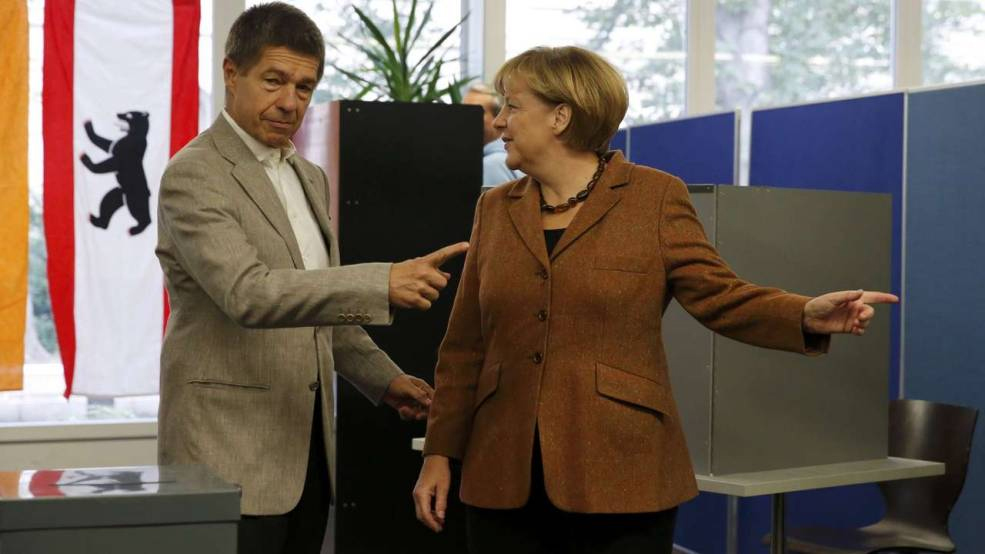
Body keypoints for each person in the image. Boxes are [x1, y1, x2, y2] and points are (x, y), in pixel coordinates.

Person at [412, 46, 898, 554]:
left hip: (620, 466)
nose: (498, 122)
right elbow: (464, 345)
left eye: (511, 107)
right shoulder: (494, 208)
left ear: (561, 116)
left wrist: (804, 314)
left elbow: (721, 296)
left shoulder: (654, 197)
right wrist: (438, 453)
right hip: (501, 469)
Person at [155, 4, 467, 554]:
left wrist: (385, 380)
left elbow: (319, 308)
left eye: (304, 87)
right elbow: (249, 294)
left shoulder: (308, 175)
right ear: (232, 73)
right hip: (224, 456)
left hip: (307, 460)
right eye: (273, 80)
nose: (290, 101)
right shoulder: (194, 174)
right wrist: (380, 283)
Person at [463, 83, 524, 187]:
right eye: (463, 111)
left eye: (473, 112)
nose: (465, 119)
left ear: (497, 117)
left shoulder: (492, 165)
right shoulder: (510, 157)